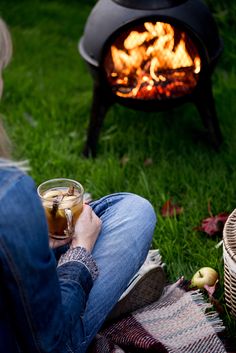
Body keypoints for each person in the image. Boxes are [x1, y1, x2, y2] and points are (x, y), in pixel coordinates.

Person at [0, 18, 164, 353]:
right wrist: (80, 252)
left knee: (127, 210)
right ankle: (93, 309)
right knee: (136, 213)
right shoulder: (8, 194)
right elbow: (49, 342)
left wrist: (28, 235)